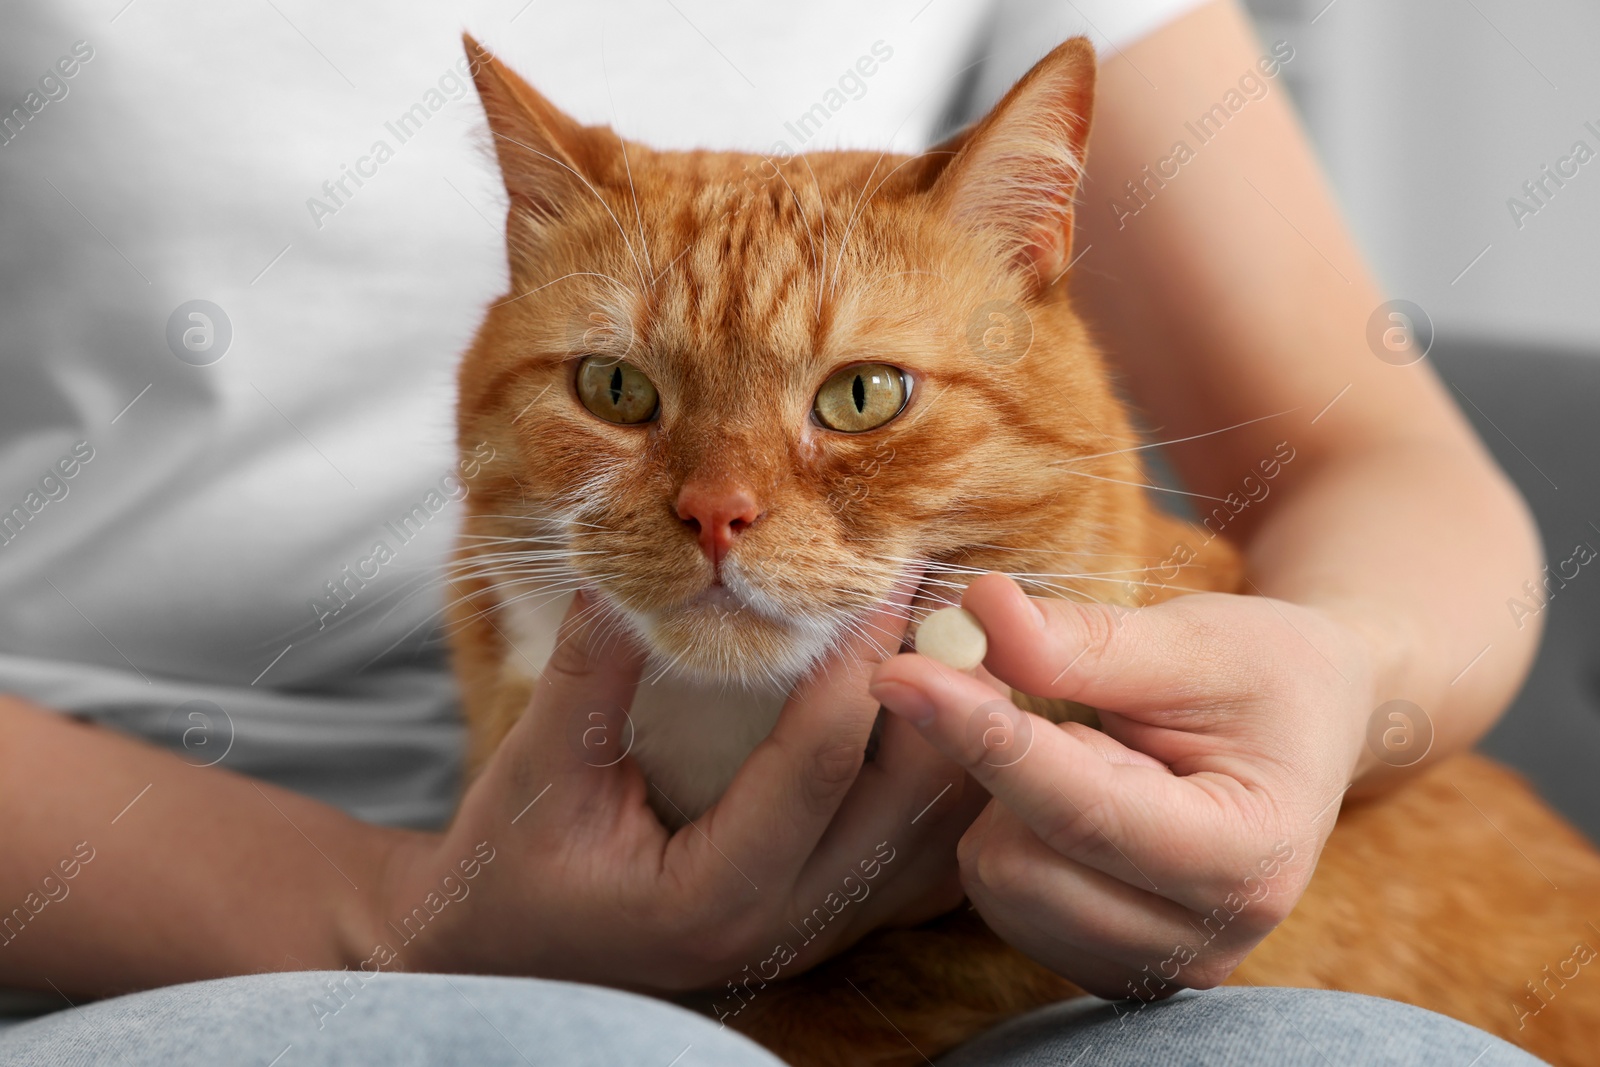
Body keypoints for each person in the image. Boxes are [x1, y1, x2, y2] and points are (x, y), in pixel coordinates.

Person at [0, 0, 1546, 1063]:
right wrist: (392, 916)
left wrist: (1341, 676)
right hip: (129, 911)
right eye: (617, 389)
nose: (722, 502)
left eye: (857, 394)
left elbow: (1369, 453)